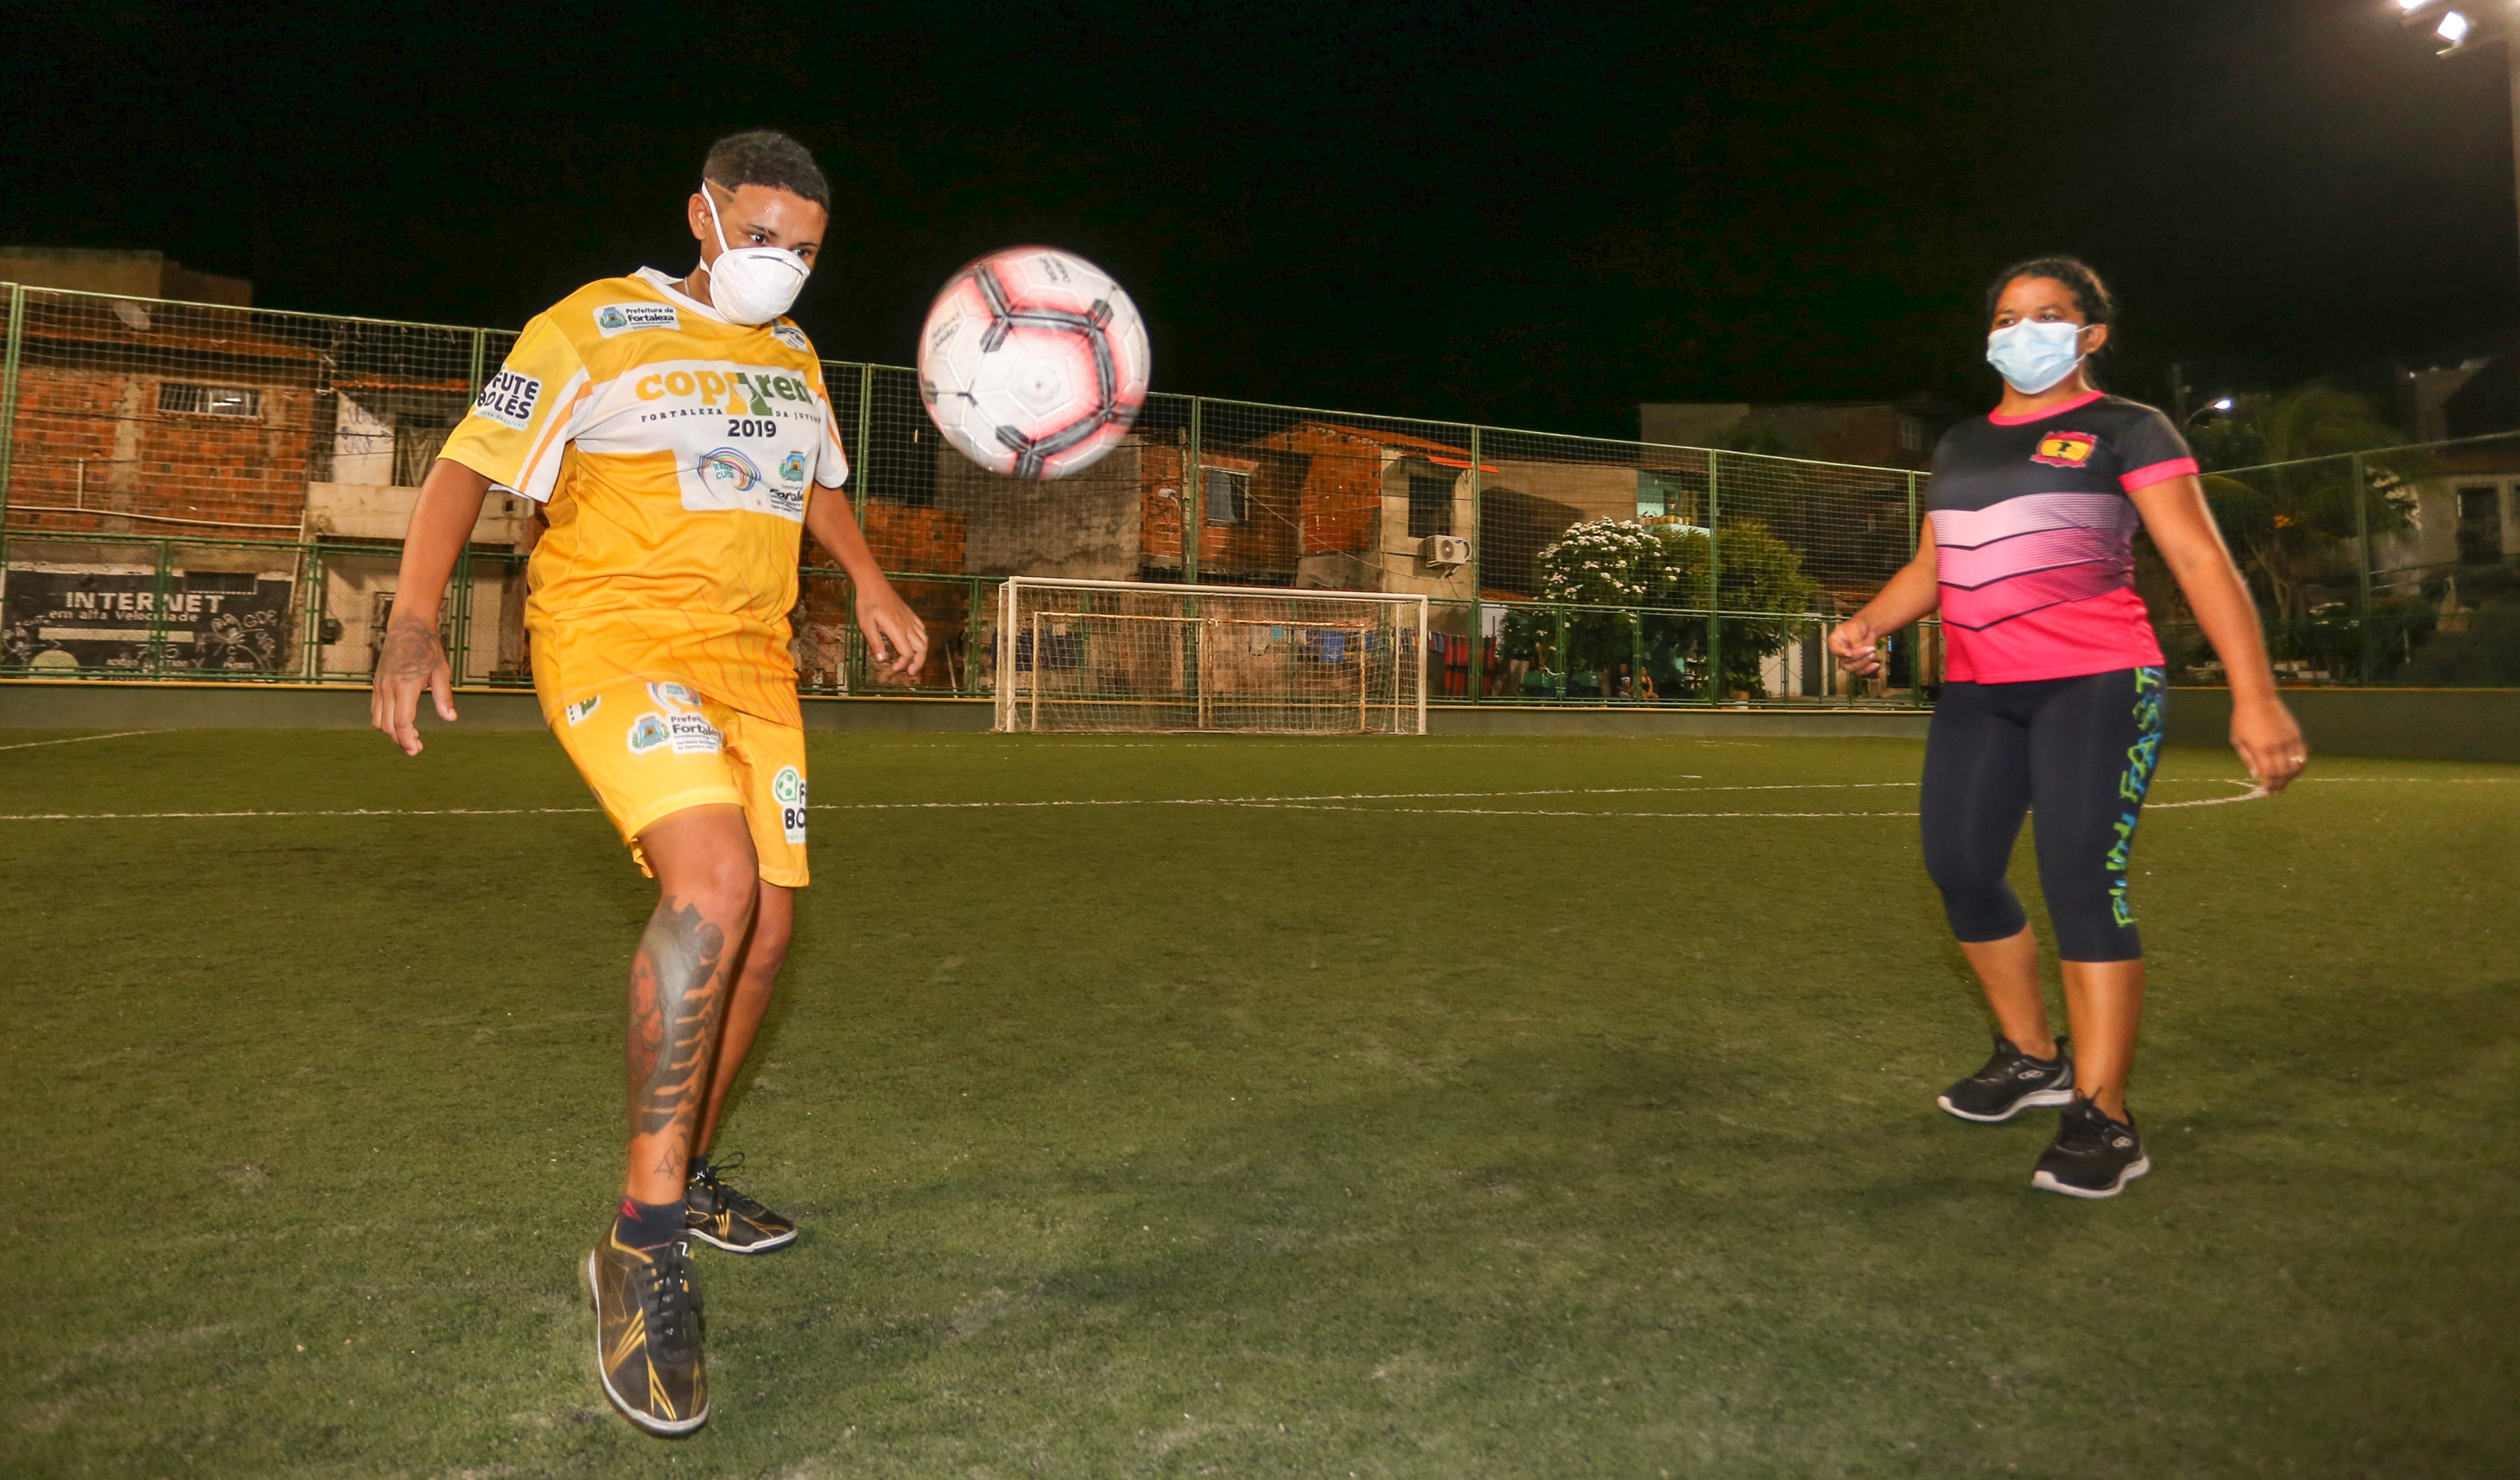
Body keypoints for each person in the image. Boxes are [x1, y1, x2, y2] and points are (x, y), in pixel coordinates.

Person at [370, 129, 928, 1433]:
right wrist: (411, 615)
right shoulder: (594, 324)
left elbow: (815, 489)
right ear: (702, 214)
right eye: (759, 234)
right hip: (617, 640)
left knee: (773, 931)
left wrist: (870, 573)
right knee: (715, 883)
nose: (778, 262)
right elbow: (465, 463)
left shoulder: (793, 359)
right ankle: (641, 1239)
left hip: (753, 663)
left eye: (802, 248)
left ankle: (694, 1166)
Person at [1827, 255, 2305, 1199]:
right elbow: (1937, 561)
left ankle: (2106, 1115)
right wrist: (1871, 620)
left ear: (2091, 335)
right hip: (1978, 689)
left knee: (2081, 876)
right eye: (2008, 315)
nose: (2023, 330)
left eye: (2049, 315)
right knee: (1959, 865)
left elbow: (2202, 561)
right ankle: (2030, 1055)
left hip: (2096, 682)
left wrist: (2257, 694)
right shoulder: (1962, 441)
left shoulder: (2127, 428)